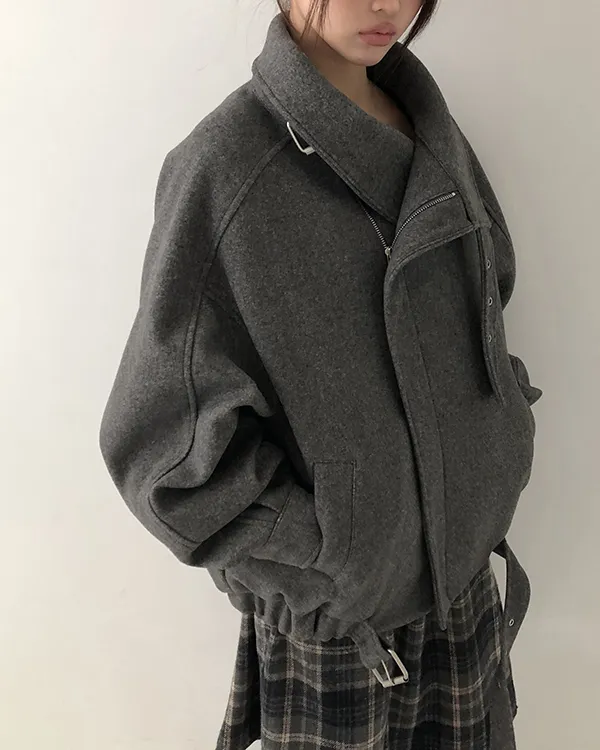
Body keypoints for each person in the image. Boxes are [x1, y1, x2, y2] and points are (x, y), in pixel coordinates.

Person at [98, 1, 544, 748]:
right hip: (344, 638)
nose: (388, 5)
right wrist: (326, 556)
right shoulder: (225, 168)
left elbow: (486, 293)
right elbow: (159, 448)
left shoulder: (428, 126)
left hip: (465, 592)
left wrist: (499, 433)